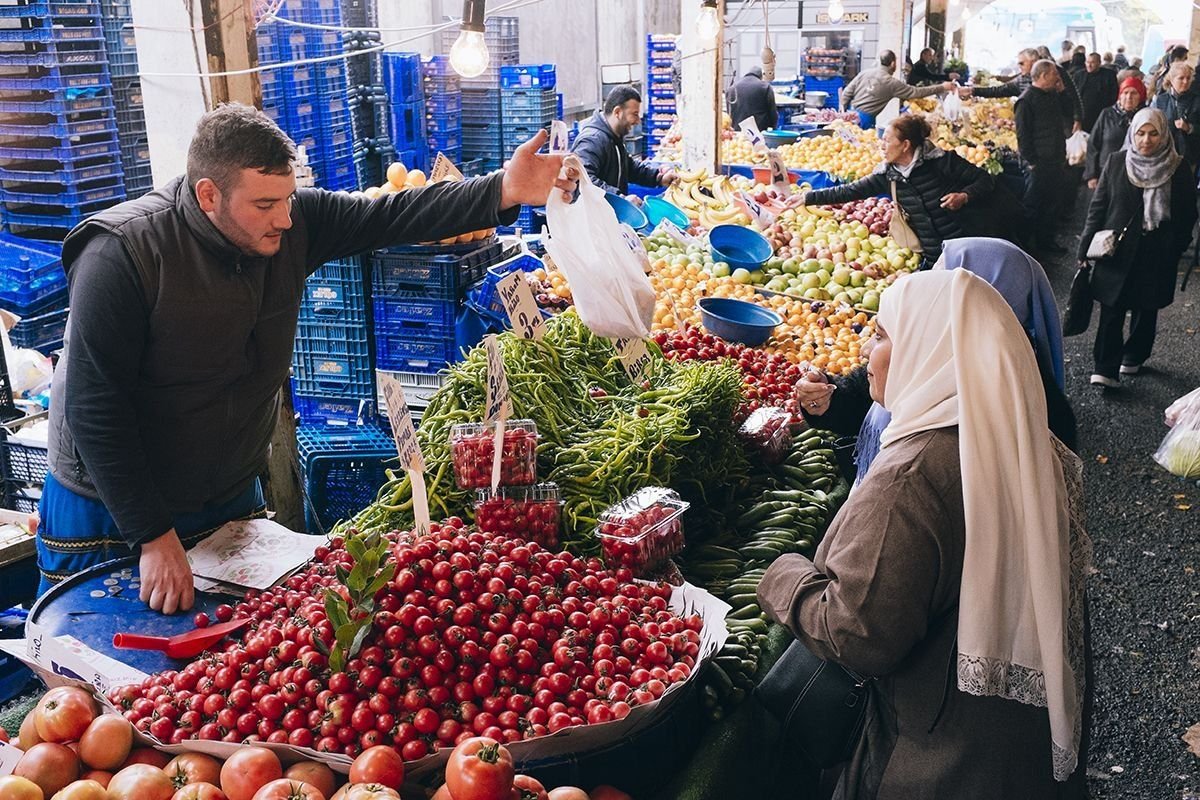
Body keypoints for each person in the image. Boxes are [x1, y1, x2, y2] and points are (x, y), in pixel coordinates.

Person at [40, 103, 579, 612]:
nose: (285, 219)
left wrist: (503, 190)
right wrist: (152, 536)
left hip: (223, 494)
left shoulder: (294, 224)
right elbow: (93, 405)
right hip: (111, 510)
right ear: (208, 196)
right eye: (264, 205)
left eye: (288, 199)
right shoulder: (124, 253)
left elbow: (393, 214)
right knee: (100, 677)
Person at [759, 268, 1090, 799]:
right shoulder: (1018, 434)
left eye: (884, 334)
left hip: (942, 756)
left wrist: (784, 578)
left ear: (933, 347)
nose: (868, 351)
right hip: (1016, 732)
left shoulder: (912, 475)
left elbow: (858, 633)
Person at [797, 237, 1074, 483]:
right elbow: (860, 394)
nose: (932, 285)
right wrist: (826, 397)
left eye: (948, 278)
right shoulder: (931, 349)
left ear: (986, 294)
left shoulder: (1031, 403)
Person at [1079, 108, 1197, 387]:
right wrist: (1084, 248)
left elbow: (1187, 213)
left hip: (1157, 249)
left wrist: (1175, 247)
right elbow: (1098, 207)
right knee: (1111, 307)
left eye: (1153, 133)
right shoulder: (1118, 161)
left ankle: (1133, 356)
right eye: (1141, 133)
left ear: (1164, 135)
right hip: (1116, 249)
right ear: (1133, 133)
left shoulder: (1177, 167)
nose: (1146, 140)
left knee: (1147, 307)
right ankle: (1104, 367)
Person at [795, 116, 996, 262]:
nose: (882, 146)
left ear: (905, 145)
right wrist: (808, 198)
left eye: (887, 141)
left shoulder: (942, 162)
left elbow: (985, 180)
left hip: (966, 247)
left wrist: (964, 196)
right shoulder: (888, 175)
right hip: (934, 254)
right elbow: (849, 191)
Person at [571, 85, 677, 195]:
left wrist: (658, 177)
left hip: (611, 210)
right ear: (617, 112)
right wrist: (620, 198)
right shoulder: (592, 140)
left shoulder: (614, 138)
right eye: (634, 114)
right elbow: (583, 180)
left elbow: (629, 169)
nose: (638, 121)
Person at [1017, 60, 1072, 254]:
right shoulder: (1026, 101)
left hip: (1055, 159)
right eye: (1053, 74)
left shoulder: (1053, 95)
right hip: (1038, 164)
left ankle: (1046, 242)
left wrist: (1063, 90)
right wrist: (1031, 162)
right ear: (1042, 76)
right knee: (1033, 206)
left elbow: (1068, 111)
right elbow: (1023, 136)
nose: (1057, 77)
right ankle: (1025, 247)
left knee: (1053, 204)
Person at [840, 50, 954, 129]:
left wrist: (843, 113)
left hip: (851, 114)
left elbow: (846, 93)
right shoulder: (891, 83)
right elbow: (916, 92)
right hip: (865, 120)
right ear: (893, 63)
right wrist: (942, 87)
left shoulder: (864, 73)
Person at [1086, 77, 1147, 189]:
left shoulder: (1146, 116)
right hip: (1107, 173)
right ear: (1120, 95)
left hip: (1137, 174)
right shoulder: (1107, 114)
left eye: (1134, 93)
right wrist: (1092, 175)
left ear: (1141, 96)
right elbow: (1093, 144)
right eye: (1125, 93)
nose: (1129, 97)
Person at [1151, 62, 1200, 168]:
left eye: (1188, 78)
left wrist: (1189, 128)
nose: (1185, 81)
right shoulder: (1160, 100)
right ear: (1172, 80)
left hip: (1189, 156)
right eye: (1181, 78)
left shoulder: (1197, 100)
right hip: (1163, 155)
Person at [1075, 52, 1120, 132]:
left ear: (1099, 63)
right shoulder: (1079, 75)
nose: (1089, 65)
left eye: (1092, 62)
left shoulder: (1109, 75)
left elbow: (1114, 95)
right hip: (1083, 115)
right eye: (1087, 62)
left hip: (1101, 114)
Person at [728, 66, 778, 133]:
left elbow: (729, 112)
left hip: (737, 131)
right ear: (760, 76)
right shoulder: (765, 87)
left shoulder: (732, 88)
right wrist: (773, 127)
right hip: (758, 133)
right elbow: (772, 111)